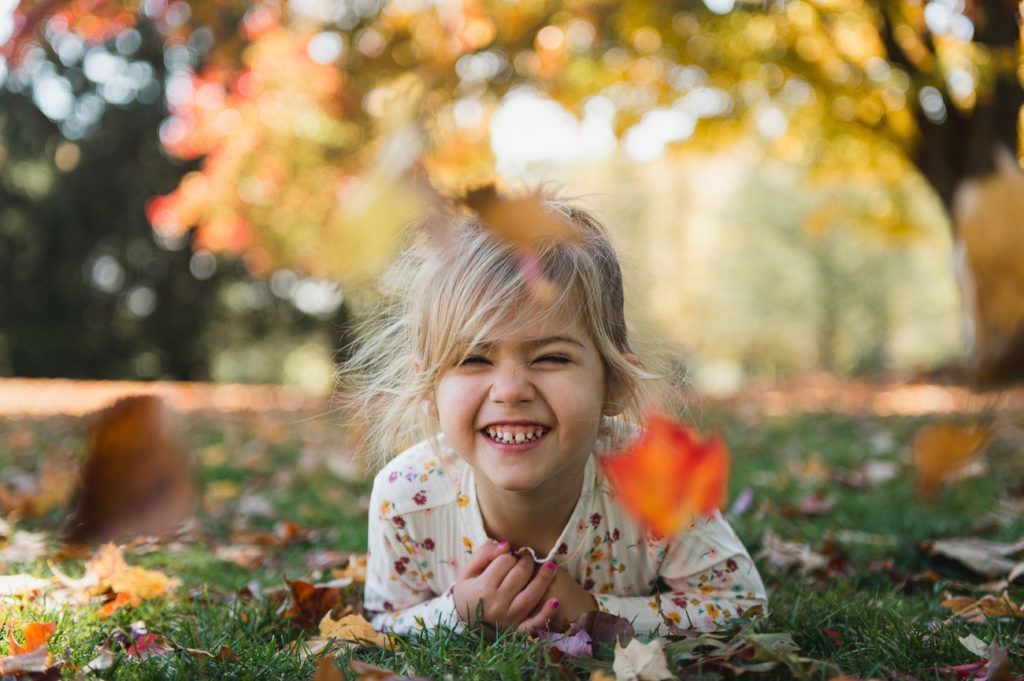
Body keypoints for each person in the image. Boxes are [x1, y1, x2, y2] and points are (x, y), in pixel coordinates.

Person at [339, 192, 767, 636]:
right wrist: (457, 613)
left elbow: (743, 604)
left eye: (552, 358)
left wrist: (596, 612)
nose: (510, 391)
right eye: (473, 359)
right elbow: (385, 621)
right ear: (430, 389)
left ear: (613, 383)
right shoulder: (407, 496)